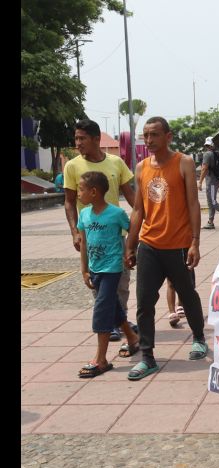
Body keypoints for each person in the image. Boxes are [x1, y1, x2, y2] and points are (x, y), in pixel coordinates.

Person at [124, 116, 209, 380]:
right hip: (149, 244)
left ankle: (198, 338)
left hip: (179, 245)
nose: (149, 140)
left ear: (168, 137)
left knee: (188, 294)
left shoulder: (183, 162)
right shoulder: (141, 167)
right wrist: (131, 244)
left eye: (154, 135)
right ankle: (148, 357)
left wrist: (195, 241)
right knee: (145, 302)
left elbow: (194, 204)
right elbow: (138, 208)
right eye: (146, 135)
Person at [64, 119, 137, 345]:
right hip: (91, 237)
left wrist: (143, 224)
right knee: (97, 282)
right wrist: (75, 232)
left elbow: (132, 197)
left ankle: (116, 322)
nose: (78, 143)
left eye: (82, 138)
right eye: (76, 138)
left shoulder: (116, 162)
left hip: (116, 236)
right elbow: (68, 202)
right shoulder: (72, 166)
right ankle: (113, 323)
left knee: (121, 284)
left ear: (96, 139)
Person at [76, 171, 139, 377]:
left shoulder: (116, 213)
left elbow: (133, 231)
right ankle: (132, 339)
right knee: (113, 307)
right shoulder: (84, 214)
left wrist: (129, 252)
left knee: (102, 308)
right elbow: (84, 243)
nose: (78, 193)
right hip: (95, 269)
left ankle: (101, 359)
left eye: (81, 189)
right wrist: (84, 270)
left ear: (94, 192)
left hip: (112, 269)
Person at [198, 137, 219, 230]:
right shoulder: (218, 154)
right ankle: (210, 222)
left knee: (212, 202)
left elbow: (204, 168)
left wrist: (200, 182)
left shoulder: (207, 154)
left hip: (211, 182)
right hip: (216, 180)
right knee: (210, 202)